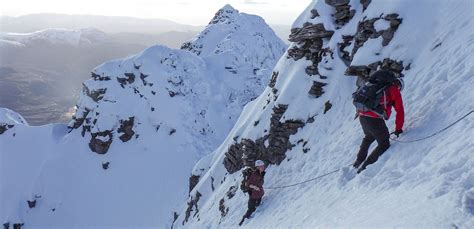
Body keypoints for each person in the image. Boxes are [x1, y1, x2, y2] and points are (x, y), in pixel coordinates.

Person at [353, 70, 405, 173]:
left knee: (369, 137)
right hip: (375, 120)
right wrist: (398, 129)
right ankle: (365, 167)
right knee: (384, 144)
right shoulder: (393, 90)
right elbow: (400, 111)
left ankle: (358, 161)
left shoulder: (375, 84)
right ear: (398, 85)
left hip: (362, 115)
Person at [239, 160, 266, 226]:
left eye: (263, 166)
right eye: (261, 166)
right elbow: (248, 184)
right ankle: (242, 221)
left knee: (258, 200)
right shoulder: (254, 175)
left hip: (258, 192)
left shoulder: (261, 173)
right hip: (253, 193)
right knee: (251, 208)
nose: (263, 167)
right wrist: (255, 187)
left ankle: (258, 205)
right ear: (257, 167)